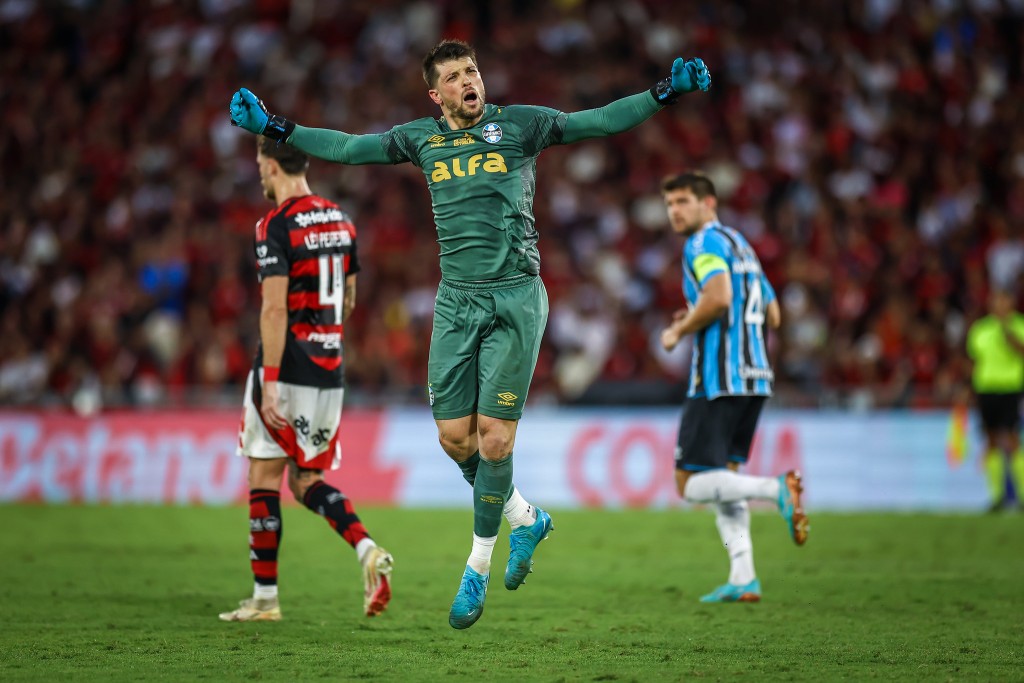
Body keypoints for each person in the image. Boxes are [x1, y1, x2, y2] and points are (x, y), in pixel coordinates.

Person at [229, 39, 711, 629]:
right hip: (457, 301)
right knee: (455, 439)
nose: (468, 81)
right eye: (455, 76)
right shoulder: (421, 139)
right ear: (436, 95)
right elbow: (350, 148)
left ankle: (477, 566)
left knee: (495, 440)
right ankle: (524, 517)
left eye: (472, 71)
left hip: (515, 296)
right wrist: (276, 126)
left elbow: (600, 121)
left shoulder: (522, 126)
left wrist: (665, 92)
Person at [219, 137, 393, 623]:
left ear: (273, 165)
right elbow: (349, 299)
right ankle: (367, 549)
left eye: (260, 162)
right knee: (306, 480)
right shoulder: (341, 219)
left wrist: (271, 381)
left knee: (263, 477)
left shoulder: (274, 225)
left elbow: (274, 309)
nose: (259, 171)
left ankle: (265, 599)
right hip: (329, 370)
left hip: (288, 365)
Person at [658, 172, 808, 603]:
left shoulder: (702, 243)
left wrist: (680, 329)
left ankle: (776, 490)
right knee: (724, 479)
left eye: (683, 201)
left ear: (709, 203)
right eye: (670, 204)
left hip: (718, 378)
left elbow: (719, 296)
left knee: (689, 483)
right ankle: (743, 576)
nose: (675, 211)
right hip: (755, 375)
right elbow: (773, 314)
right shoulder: (741, 244)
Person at [966, 288, 1024, 512]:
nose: (1000, 305)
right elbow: (974, 360)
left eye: (1004, 300)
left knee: (1012, 439)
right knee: (990, 441)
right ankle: (997, 497)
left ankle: (1021, 497)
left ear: (1011, 303)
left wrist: (1009, 334)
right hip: (985, 389)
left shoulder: (1019, 325)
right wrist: (968, 388)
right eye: (996, 301)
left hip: (1010, 388)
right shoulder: (980, 329)